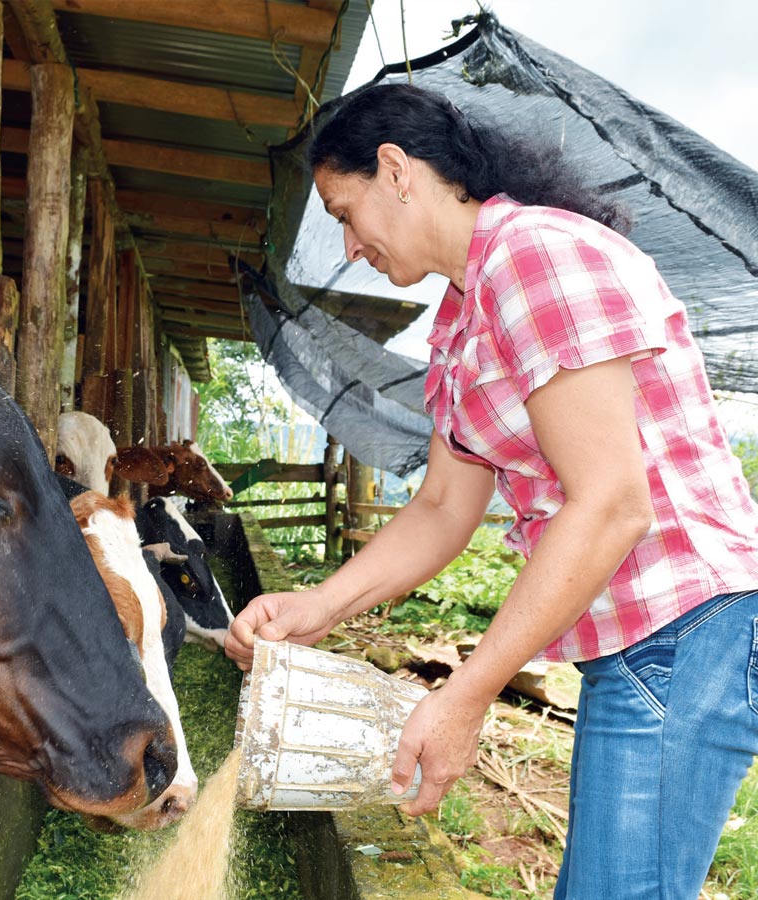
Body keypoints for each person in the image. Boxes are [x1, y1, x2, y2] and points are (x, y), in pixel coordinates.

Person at [224, 82, 758, 900]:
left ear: (396, 171)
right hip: (634, 640)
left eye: (342, 211)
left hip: (687, 626)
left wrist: (466, 696)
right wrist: (318, 606)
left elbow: (612, 501)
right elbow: (443, 507)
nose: (349, 244)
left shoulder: (535, 256)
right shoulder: (460, 318)